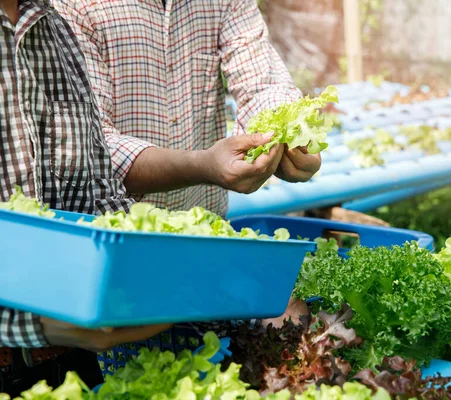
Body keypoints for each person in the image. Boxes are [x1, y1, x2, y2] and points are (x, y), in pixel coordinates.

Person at [0, 0, 171, 395]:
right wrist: (31, 321)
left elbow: (98, 195)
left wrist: (153, 265)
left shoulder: (52, 26)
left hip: (70, 368)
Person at [53, 0, 322, 218]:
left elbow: (261, 82)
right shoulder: (75, 6)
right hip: (110, 239)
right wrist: (201, 165)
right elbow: (91, 148)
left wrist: (289, 140)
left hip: (202, 229)